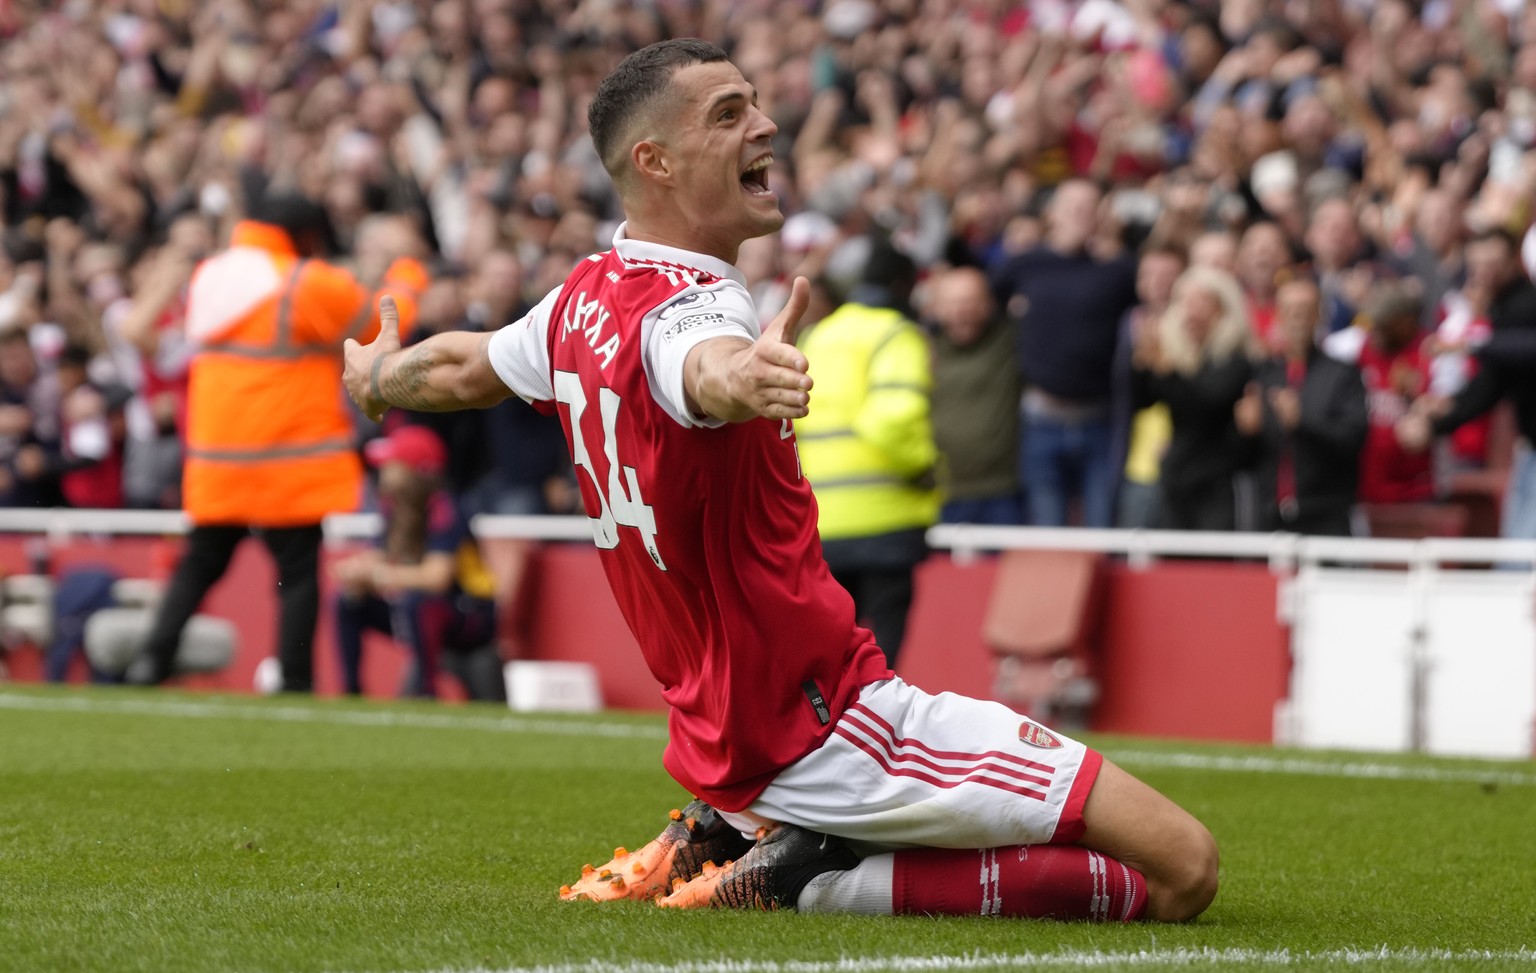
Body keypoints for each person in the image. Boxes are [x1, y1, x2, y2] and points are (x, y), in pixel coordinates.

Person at [345, 39, 1216, 923]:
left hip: (726, 732)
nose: (765, 124)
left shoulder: (581, 297)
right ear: (656, 162)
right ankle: (816, 877)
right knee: (1184, 870)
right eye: (727, 114)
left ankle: (740, 829)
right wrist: (743, 379)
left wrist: (377, 381)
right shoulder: (698, 307)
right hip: (830, 721)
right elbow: (699, 365)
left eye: (755, 102)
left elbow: (465, 367)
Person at [133, 193, 427, 692]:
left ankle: (151, 660)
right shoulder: (301, 280)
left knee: (200, 563)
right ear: (307, 238)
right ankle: (293, 678)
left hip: (217, 461)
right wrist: (406, 275)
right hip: (287, 459)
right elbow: (381, 323)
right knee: (298, 577)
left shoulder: (211, 274)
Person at [796, 241, 939, 670]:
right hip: (885, 517)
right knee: (883, 648)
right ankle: (870, 732)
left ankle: (827, 730)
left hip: (823, 518)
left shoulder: (818, 335)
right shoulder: (896, 334)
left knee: (833, 641)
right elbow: (890, 421)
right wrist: (922, 464)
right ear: (902, 285)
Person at [991, 180, 1139, 528]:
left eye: (1088, 207)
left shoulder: (1118, 269)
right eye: (1070, 205)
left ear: (1101, 217)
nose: (1078, 214)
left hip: (1099, 418)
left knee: (1103, 529)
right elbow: (985, 304)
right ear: (1051, 213)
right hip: (1041, 417)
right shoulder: (1025, 264)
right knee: (1047, 532)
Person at [331, 424, 503, 701]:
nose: (382, 471)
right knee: (347, 601)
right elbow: (382, 556)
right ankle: (351, 691)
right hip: (421, 608)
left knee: (418, 603)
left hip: (469, 614)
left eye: (392, 465)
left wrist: (379, 574)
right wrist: (358, 571)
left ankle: (425, 692)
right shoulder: (394, 507)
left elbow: (437, 578)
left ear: (415, 471)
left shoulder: (444, 508)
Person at [1399, 229, 1536, 542]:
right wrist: (1444, 412)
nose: (1484, 272)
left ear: (1512, 261)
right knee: (1515, 552)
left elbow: (1516, 357)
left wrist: (1472, 344)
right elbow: (1493, 382)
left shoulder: (1526, 304)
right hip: (1529, 447)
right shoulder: (1503, 307)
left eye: (1493, 262)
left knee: (1520, 557)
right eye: (1477, 264)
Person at [1236, 275, 1368, 535]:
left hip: (1325, 514)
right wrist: (1244, 432)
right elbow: (1244, 458)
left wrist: (1302, 422)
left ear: (1318, 317)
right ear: (1278, 317)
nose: (1297, 319)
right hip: (1270, 516)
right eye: (1290, 311)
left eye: (1305, 311)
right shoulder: (1263, 374)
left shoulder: (1342, 373)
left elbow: (1354, 438)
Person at [1131, 267, 1258, 531]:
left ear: (1222, 309)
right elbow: (1141, 402)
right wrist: (1142, 366)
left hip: (1219, 482)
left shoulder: (1237, 360)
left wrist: (1166, 371)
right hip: (1177, 479)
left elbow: (1206, 405)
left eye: (1199, 301)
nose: (1188, 311)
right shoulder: (1178, 358)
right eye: (1183, 301)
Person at [926, 265, 1021, 526]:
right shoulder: (921, 350)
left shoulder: (1008, 342)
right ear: (936, 308)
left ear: (989, 304)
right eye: (953, 303)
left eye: (971, 302)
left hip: (1001, 491)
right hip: (943, 492)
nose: (962, 311)